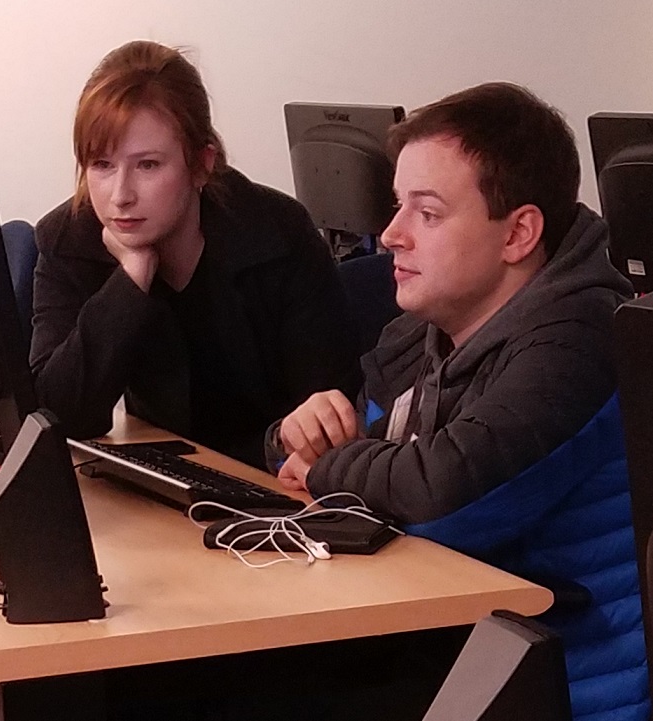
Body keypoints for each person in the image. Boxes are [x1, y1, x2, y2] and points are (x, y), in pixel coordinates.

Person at [267, 82, 650, 721]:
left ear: (519, 233)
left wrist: (326, 466)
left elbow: (443, 495)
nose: (389, 235)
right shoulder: (430, 331)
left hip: (569, 689)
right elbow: (352, 453)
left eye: (427, 212)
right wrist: (294, 435)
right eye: (396, 207)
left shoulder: (582, 338)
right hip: (465, 661)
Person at [29, 40, 358, 469]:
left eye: (148, 165)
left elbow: (327, 417)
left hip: (274, 488)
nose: (120, 195)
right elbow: (58, 416)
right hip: (159, 483)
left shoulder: (278, 235)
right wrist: (130, 280)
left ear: (202, 165)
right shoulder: (68, 240)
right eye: (101, 165)